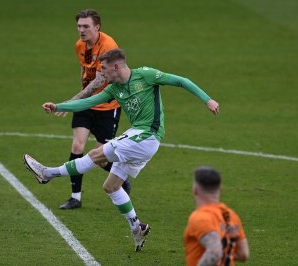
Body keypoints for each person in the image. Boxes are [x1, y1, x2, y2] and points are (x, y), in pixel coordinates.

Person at [24, 48, 219, 251]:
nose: (102, 74)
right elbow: (89, 102)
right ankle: (137, 228)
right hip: (138, 137)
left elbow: (182, 80)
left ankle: (48, 173)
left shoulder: (146, 75)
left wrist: (208, 99)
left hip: (147, 135)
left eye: (105, 69)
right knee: (111, 186)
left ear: (116, 66)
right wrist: (59, 107)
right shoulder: (113, 88)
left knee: (95, 154)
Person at [57, 9, 131, 210]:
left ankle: (121, 179)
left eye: (86, 26)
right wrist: (79, 98)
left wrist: (72, 101)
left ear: (97, 27)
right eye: (79, 26)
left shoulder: (108, 46)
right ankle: (75, 197)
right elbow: (84, 70)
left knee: (100, 157)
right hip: (86, 104)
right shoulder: (79, 45)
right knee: (77, 147)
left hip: (107, 106)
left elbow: (100, 80)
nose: (81, 30)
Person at [184, 167, 249, 265]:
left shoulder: (200, 217)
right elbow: (243, 254)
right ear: (220, 189)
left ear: (195, 190)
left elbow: (215, 252)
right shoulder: (232, 216)